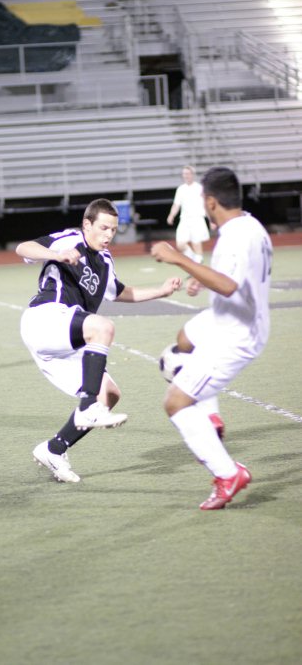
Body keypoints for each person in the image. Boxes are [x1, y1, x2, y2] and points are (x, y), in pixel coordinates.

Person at [16, 198, 182, 483]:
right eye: (103, 228)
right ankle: (89, 407)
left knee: (110, 394)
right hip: (45, 318)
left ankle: (54, 450)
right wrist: (56, 255)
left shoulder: (105, 261)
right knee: (103, 328)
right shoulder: (70, 239)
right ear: (87, 224)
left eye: (113, 230)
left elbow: (119, 292)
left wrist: (161, 291)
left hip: (69, 337)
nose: (108, 235)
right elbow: (23, 248)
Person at [151, 166, 272, 510]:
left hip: (235, 333)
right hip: (228, 316)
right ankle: (211, 415)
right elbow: (234, 276)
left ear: (211, 201)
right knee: (184, 339)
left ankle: (228, 474)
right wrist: (204, 278)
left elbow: (229, 284)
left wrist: (178, 259)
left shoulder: (235, 236)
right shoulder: (248, 224)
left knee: (175, 403)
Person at [167, 165, 212, 263]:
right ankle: (193, 260)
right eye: (184, 174)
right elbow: (176, 204)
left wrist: (211, 220)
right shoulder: (181, 189)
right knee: (180, 244)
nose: (185, 176)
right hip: (185, 219)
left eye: (187, 173)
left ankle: (198, 264)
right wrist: (171, 215)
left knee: (196, 243)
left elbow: (206, 205)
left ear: (192, 175)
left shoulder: (199, 188)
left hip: (197, 218)